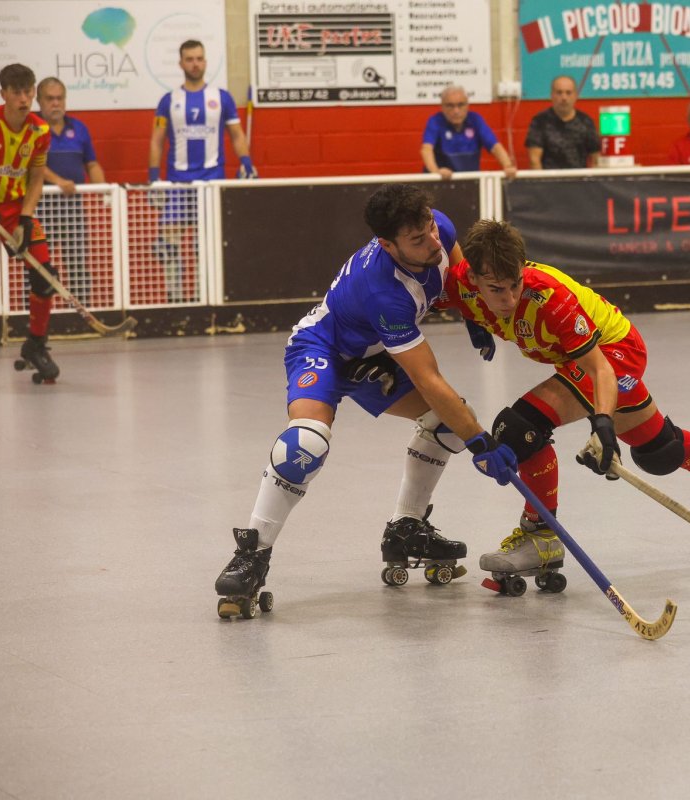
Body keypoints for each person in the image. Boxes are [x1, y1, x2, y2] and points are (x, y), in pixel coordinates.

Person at [432, 219, 690, 582]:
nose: (509, 299)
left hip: (613, 353)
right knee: (659, 450)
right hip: (578, 360)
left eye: (515, 285)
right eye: (496, 289)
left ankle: (540, 536)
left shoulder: (548, 298)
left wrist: (602, 426)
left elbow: (599, 371)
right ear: (474, 279)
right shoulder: (457, 286)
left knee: (518, 429)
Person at [213, 184, 517, 618]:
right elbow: (427, 378)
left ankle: (406, 527)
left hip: (373, 355)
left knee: (447, 424)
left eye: (431, 227)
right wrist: (481, 443)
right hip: (323, 348)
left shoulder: (438, 228)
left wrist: (473, 317)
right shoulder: (385, 293)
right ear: (387, 245)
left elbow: (461, 275)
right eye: (417, 240)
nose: (432, 242)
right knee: (306, 444)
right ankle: (252, 554)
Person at [0, 63, 60, 382]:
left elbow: (36, 177)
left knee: (44, 276)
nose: (24, 98)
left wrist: (28, 216)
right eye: (16, 92)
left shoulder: (39, 131)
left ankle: (36, 344)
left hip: (13, 208)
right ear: (3, 94)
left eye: (28, 91)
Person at [148, 39, 258, 302]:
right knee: (168, 246)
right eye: (189, 59)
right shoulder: (168, 101)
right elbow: (156, 140)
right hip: (177, 185)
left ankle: (202, 298)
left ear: (205, 62)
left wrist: (246, 162)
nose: (194, 63)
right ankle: (174, 300)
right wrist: (153, 178)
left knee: (205, 247)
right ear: (181, 63)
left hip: (211, 184)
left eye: (199, 58)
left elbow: (236, 134)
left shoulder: (222, 98)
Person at [37, 77, 106, 305]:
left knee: (77, 264)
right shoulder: (32, 128)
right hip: (40, 210)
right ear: (39, 100)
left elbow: (92, 164)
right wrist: (58, 182)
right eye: (50, 99)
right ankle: (32, 319)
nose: (55, 104)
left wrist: (106, 193)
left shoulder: (79, 128)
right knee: (38, 266)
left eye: (59, 98)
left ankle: (81, 313)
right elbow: (31, 164)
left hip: (73, 210)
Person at [421, 85, 517, 180]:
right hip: (442, 181)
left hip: (469, 181)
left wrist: (508, 165)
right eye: (450, 106)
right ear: (442, 107)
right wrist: (436, 172)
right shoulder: (435, 121)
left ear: (467, 105)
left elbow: (495, 146)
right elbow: (426, 149)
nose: (456, 111)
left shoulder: (475, 120)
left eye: (460, 105)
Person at [525, 75, 600, 170]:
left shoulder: (586, 122)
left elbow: (596, 159)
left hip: (580, 182)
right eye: (559, 93)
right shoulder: (539, 121)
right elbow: (534, 160)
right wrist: (541, 183)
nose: (564, 97)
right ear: (551, 95)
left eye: (568, 93)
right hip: (550, 182)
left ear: (575, 96)